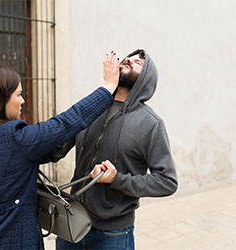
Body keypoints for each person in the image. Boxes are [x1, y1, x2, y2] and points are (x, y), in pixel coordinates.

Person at [0, 52, 119, 250]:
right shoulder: (16, 140)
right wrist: (109, 87)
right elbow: (67, 121)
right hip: (10, 240)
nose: (23, 101)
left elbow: (23, 158)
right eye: (19, 94)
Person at [49, 49, 178, 250]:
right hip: (72, 222)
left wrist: (117, 180)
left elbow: (167, 181)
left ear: (145, 79)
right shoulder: (93, 107)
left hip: (113, 233)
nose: (129, 60)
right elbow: (58, 148)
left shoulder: (151, 124)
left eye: (138, 63)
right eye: (129, 57)